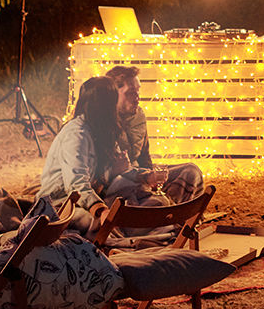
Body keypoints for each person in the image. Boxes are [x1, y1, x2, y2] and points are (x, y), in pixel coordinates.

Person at [36, 76, 125, 234]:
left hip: (93, 197)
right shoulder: (77, 134)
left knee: (139, 202)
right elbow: (76, 185)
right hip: (60, 204)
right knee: (96, 223)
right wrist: (100, 210)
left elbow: (115, 169)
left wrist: (143, 176)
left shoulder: (103, 130)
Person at [104, 65, 205, 204]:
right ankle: (163, 211)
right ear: (113, 93)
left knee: (191, 171)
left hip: (142, 174)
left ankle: (172, 211)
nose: (137, 97)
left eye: (138, 91)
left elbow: (145, 155)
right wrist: (143, 178)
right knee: (130, 189)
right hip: (122, 181)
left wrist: (152, 176)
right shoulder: (103, 121)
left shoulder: (138, 115)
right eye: (131, 92)